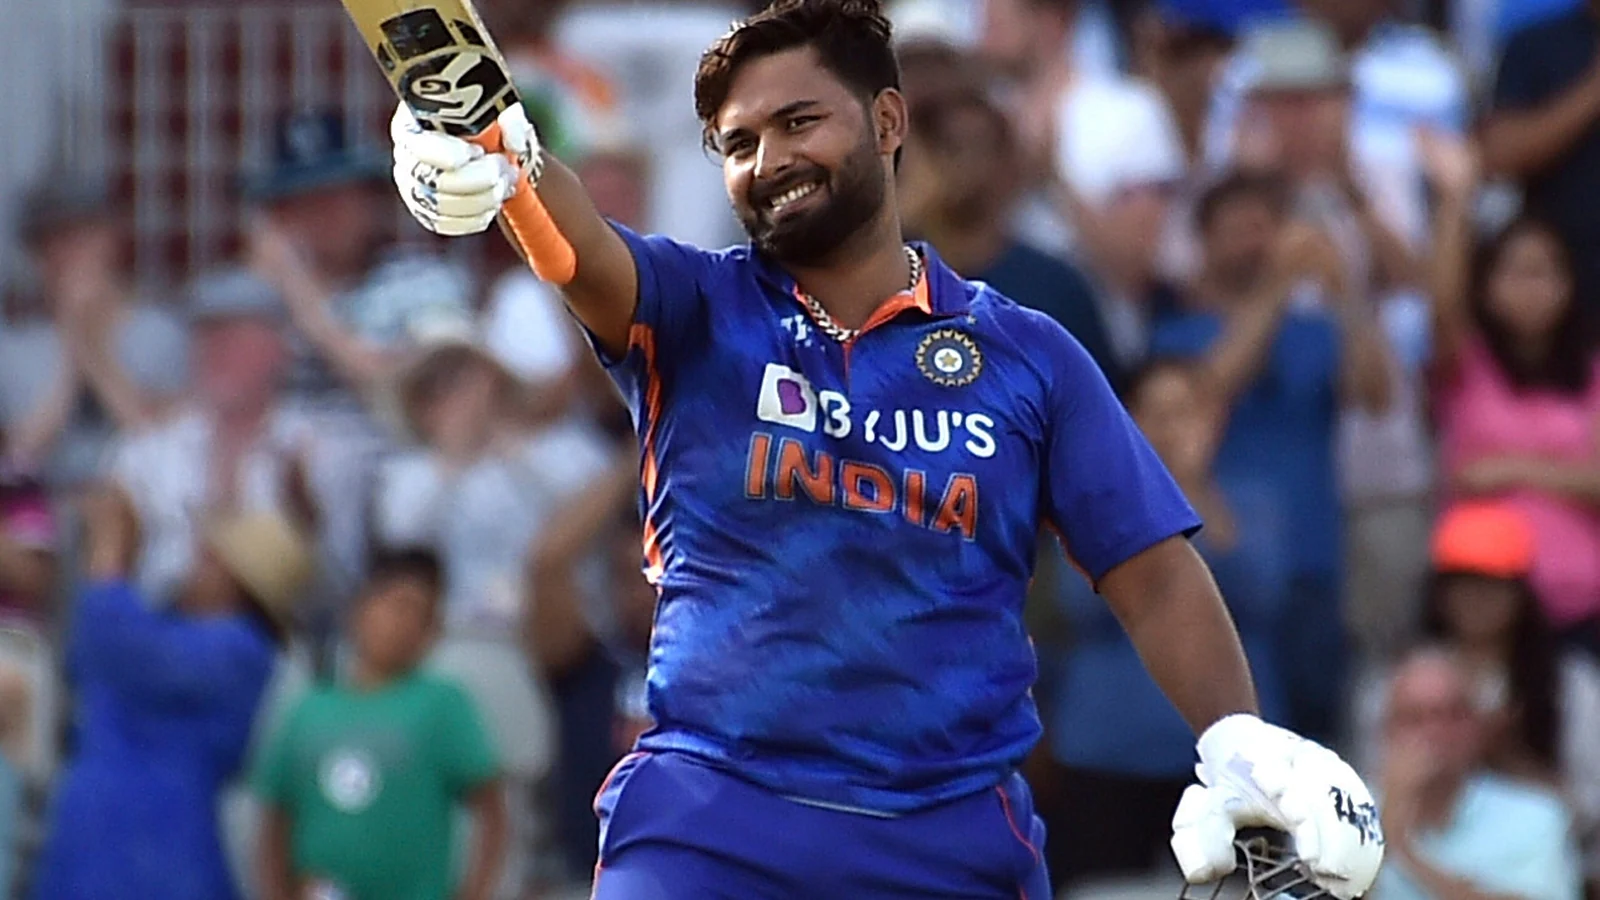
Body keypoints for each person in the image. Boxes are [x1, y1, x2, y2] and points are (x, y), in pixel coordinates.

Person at [388, 1, 1385, 896]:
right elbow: (580, 252)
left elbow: (1152, 574)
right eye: (738, 143)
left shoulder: (1029, 357)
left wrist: (1237, 740)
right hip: (706, 826)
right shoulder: (695, 310)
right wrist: (506, 159)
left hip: (946, 844)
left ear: (888, 121)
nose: (769, 159)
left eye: (799, 122)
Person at [31, 488, 312, 900]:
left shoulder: (241, 651)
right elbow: (92, 653)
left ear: (236, 583)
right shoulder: (175, 628)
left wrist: (113, 550)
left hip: (161, 851)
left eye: (210, 561)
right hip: (96, 846)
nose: (194, 567)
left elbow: (116, 640)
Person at [1426, 131, 1600, 650]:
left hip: (1580, 598)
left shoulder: (1591, 371)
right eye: (1517, 273)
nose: (1532, 288)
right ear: (1486, 284)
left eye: (1545, 273)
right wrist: (1456, 201)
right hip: (1480, 599)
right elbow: (1442, 306)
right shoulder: (1467, 366)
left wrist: (1509, 470)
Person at [253, 547, 508, 900]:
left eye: (423, 617)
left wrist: (475, 893)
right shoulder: (307, 710)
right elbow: (275, 820)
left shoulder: (442, 703)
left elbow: (492, 811)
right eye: (398, 606)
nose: (406, 624)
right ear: (360, 610)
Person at [1371, 646, 1584, 900]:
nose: (1435, 733)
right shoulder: (1343, 813)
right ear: (1387, 731)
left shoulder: (1538, 818)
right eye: (1414, 718)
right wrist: (1380, 832)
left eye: (1452, 715)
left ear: (1477, 727)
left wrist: (1406, 853)